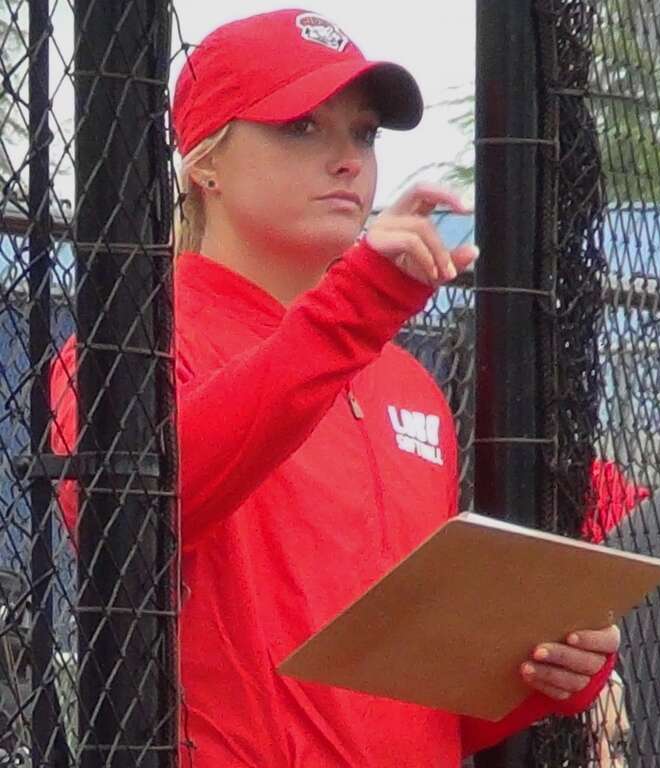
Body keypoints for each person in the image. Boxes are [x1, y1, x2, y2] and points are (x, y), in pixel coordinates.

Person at [49, 9, 620, 767]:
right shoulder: (126, 346)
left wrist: (546, 666)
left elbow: (410, 698)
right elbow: (142, 512)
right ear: (203, 162)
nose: (349, 159)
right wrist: (356, 309)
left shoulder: (405, 378)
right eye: (301, 129)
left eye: (364, 133)